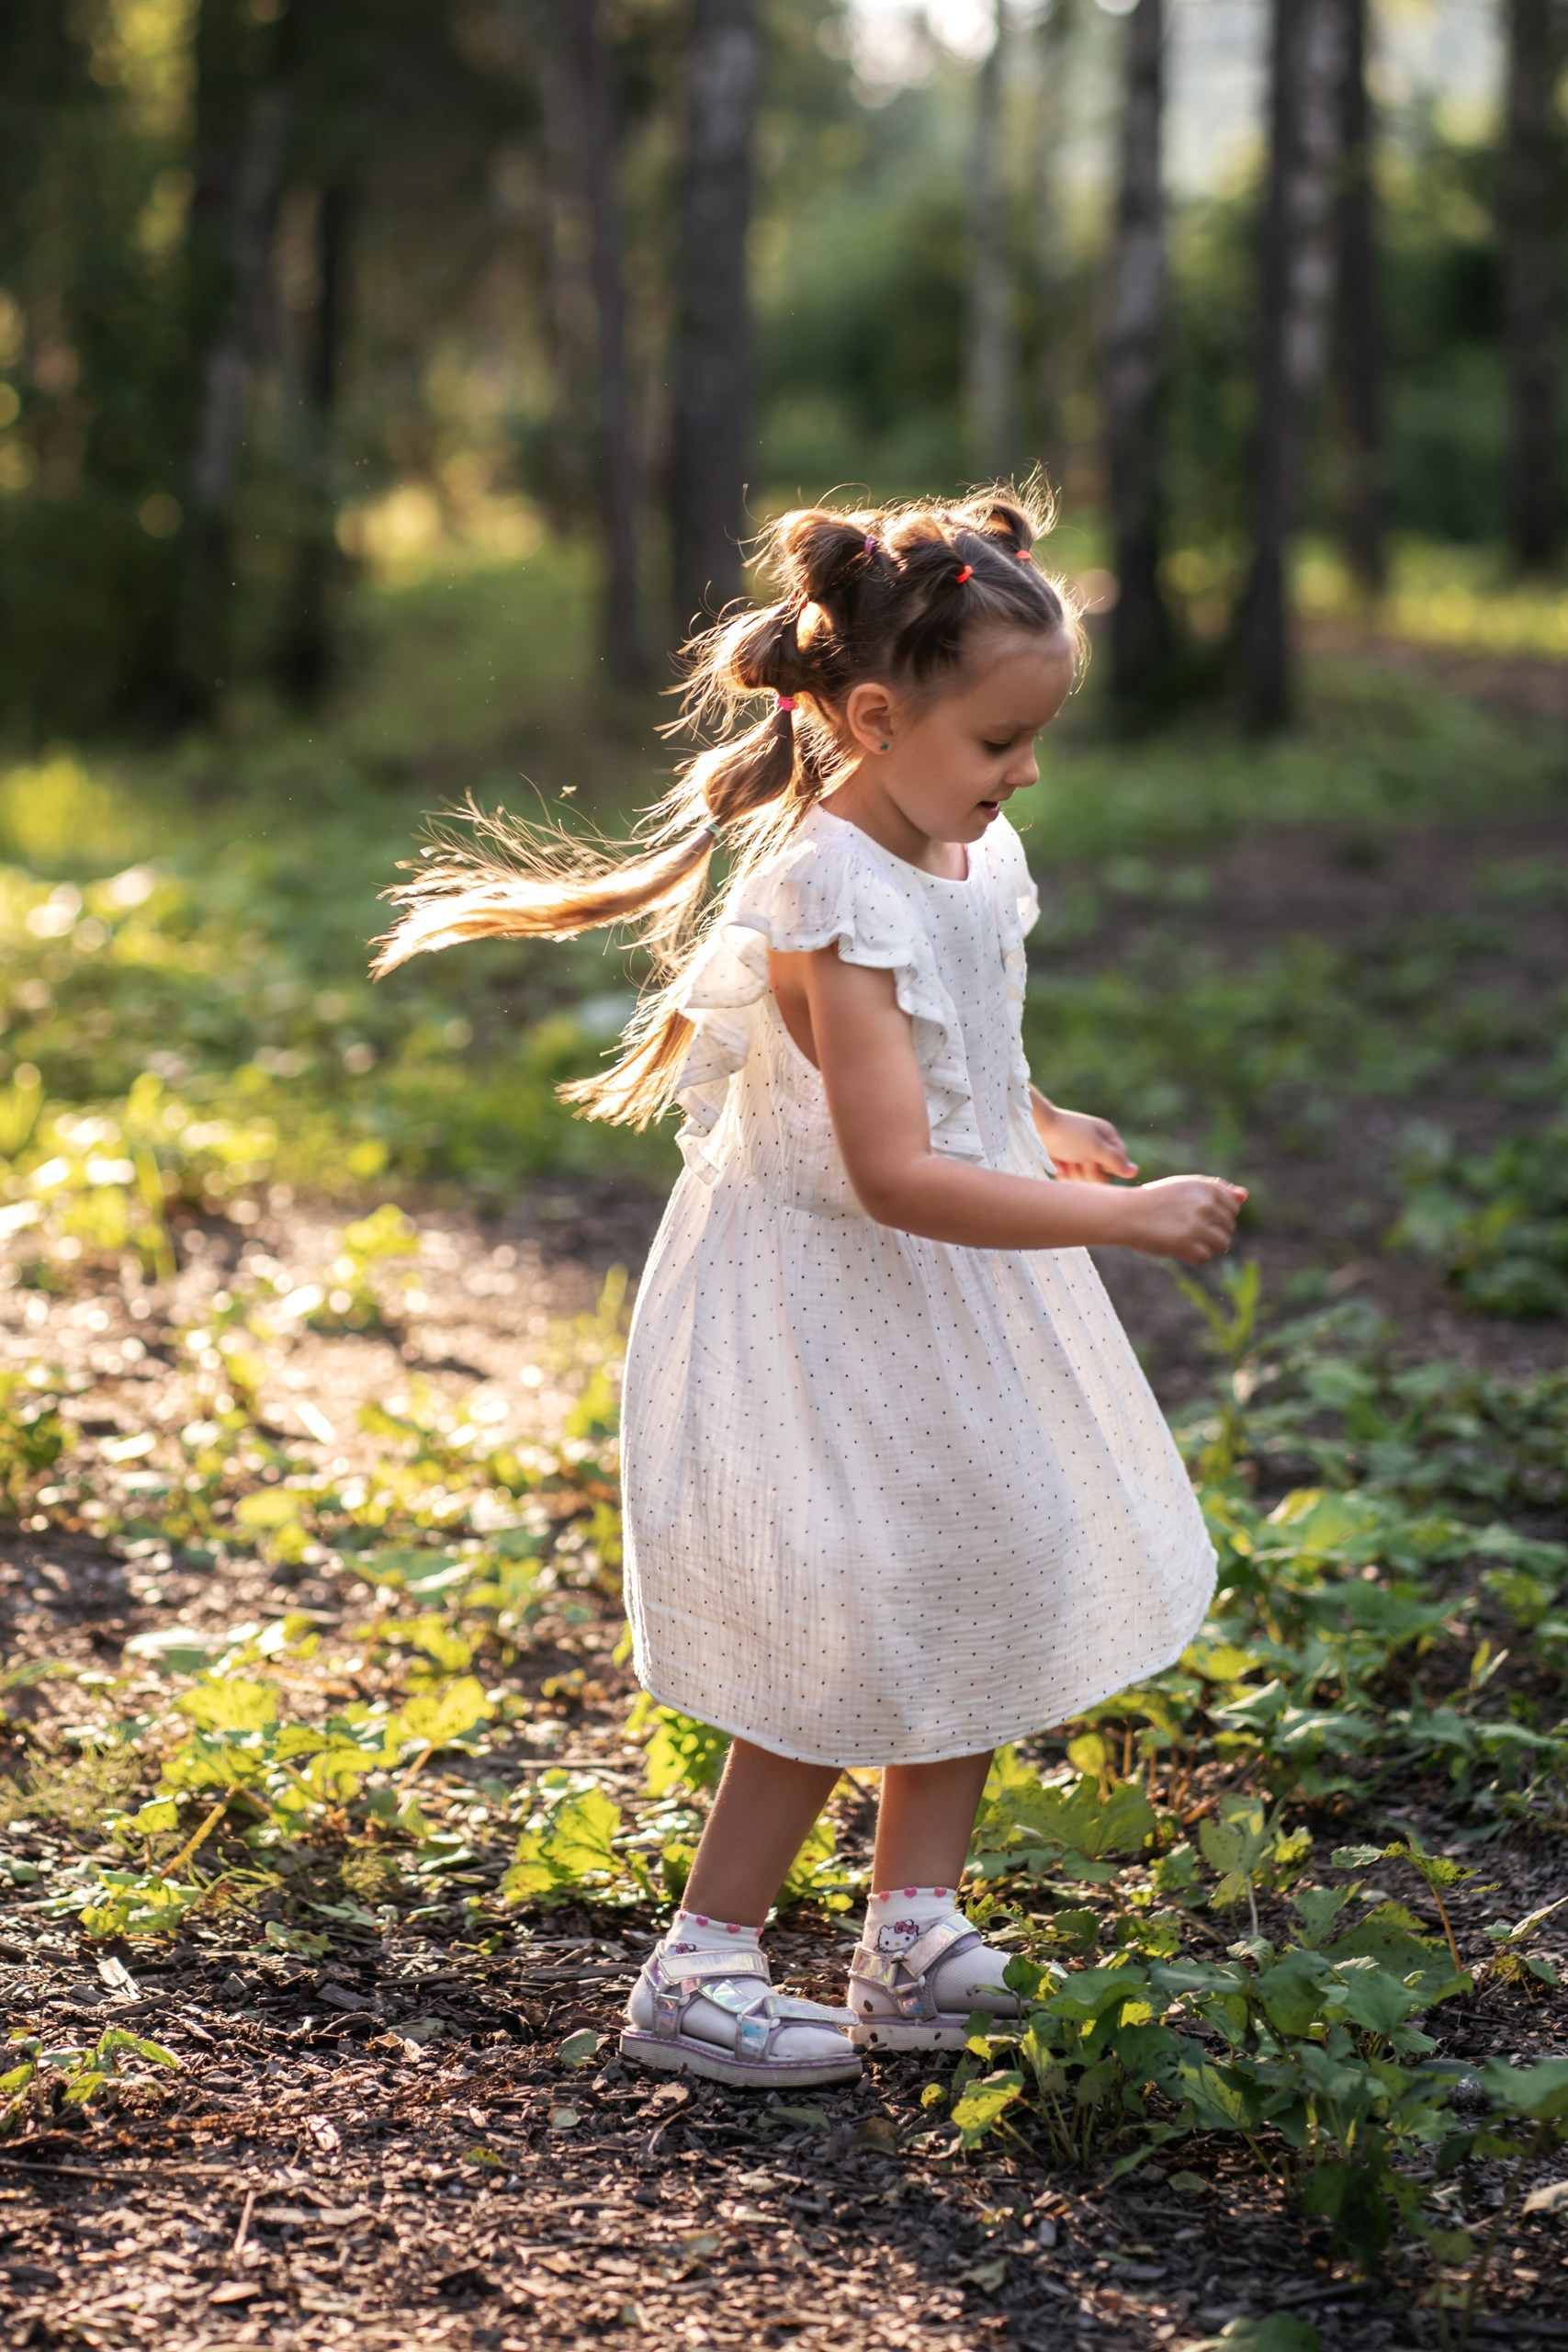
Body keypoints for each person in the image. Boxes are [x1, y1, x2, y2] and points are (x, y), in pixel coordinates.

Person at [373, 488, 1244, 2090]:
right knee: (845, 1606)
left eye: (1034, 741)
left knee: (984, 1548)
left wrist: (1038, 1118)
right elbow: (889, 1170)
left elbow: (959, 1035)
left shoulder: (966, 852)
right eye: (997, 742)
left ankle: (911, 1930)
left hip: (961, 1282)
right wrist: (1121, 1229)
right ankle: (701, 1965)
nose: (1023, 772)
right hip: (835, 1292)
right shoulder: (827, 895)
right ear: (870, 714)